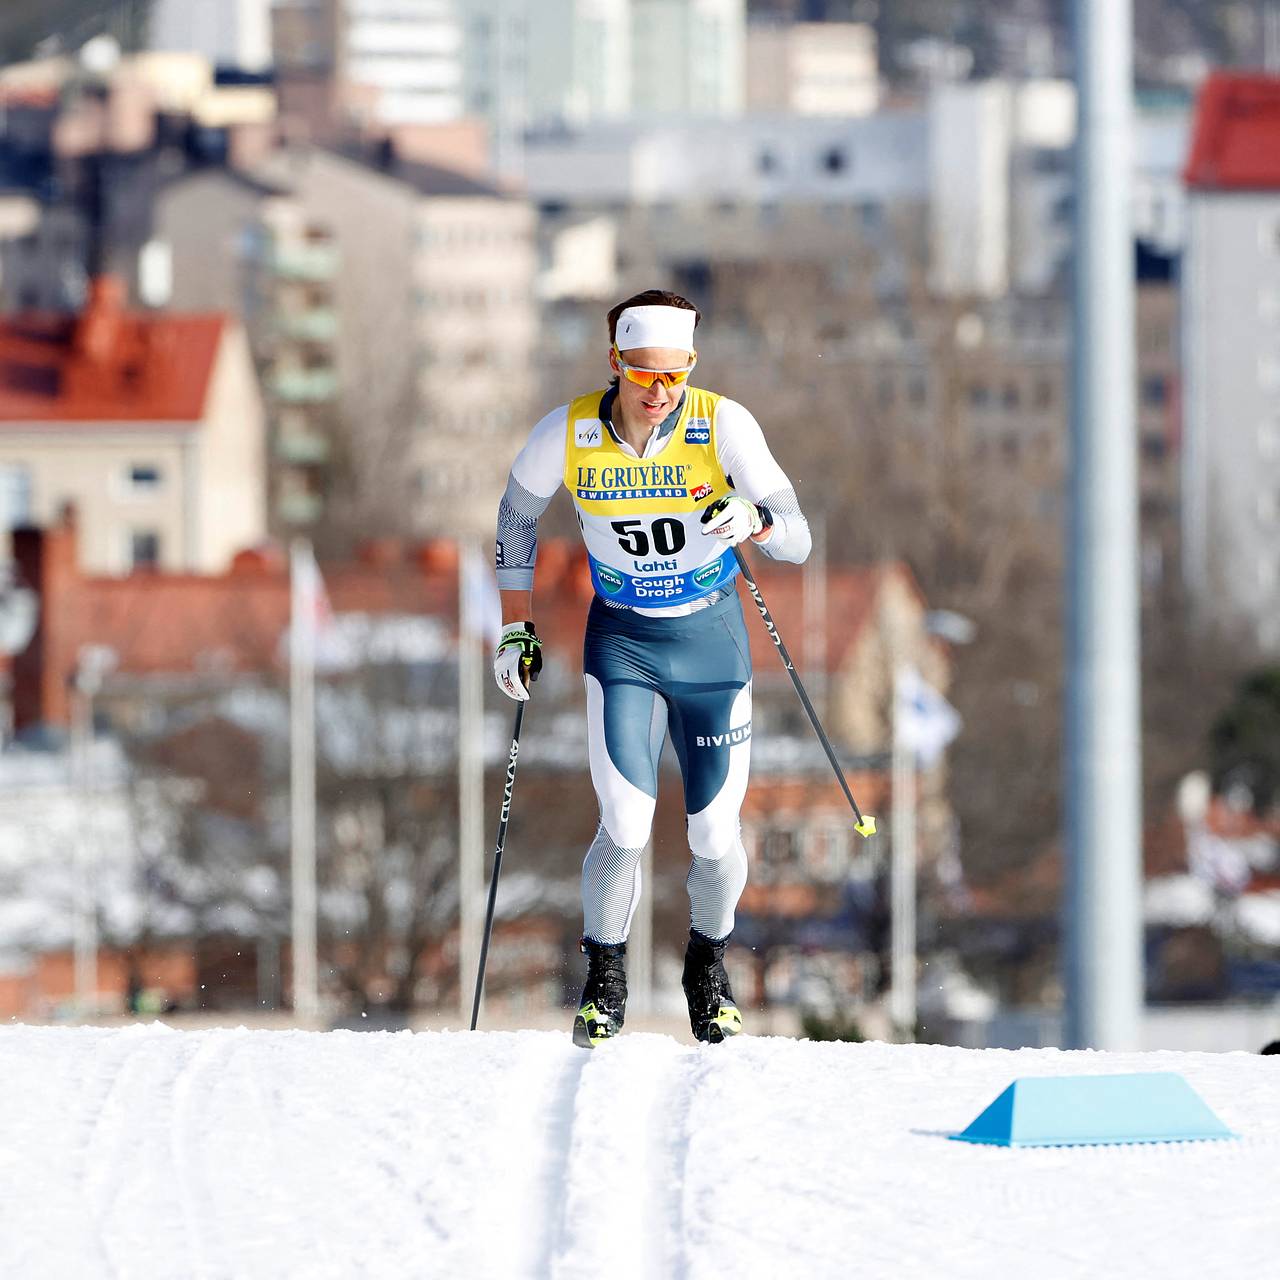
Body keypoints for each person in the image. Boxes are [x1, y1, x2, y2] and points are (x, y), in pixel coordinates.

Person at [493, 289, 811, 1047]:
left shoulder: (720, 423)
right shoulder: (567, 432)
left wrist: (755, 521)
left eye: (676, 375)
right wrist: (515, 627)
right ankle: (604, 979)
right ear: (616, 364)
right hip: (624, 643)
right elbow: (515, 515)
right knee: (626, 820)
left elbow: (799, 537)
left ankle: (707, 965)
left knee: (711, 833)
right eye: (645, 376)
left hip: (710, 648)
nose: (662, 394)